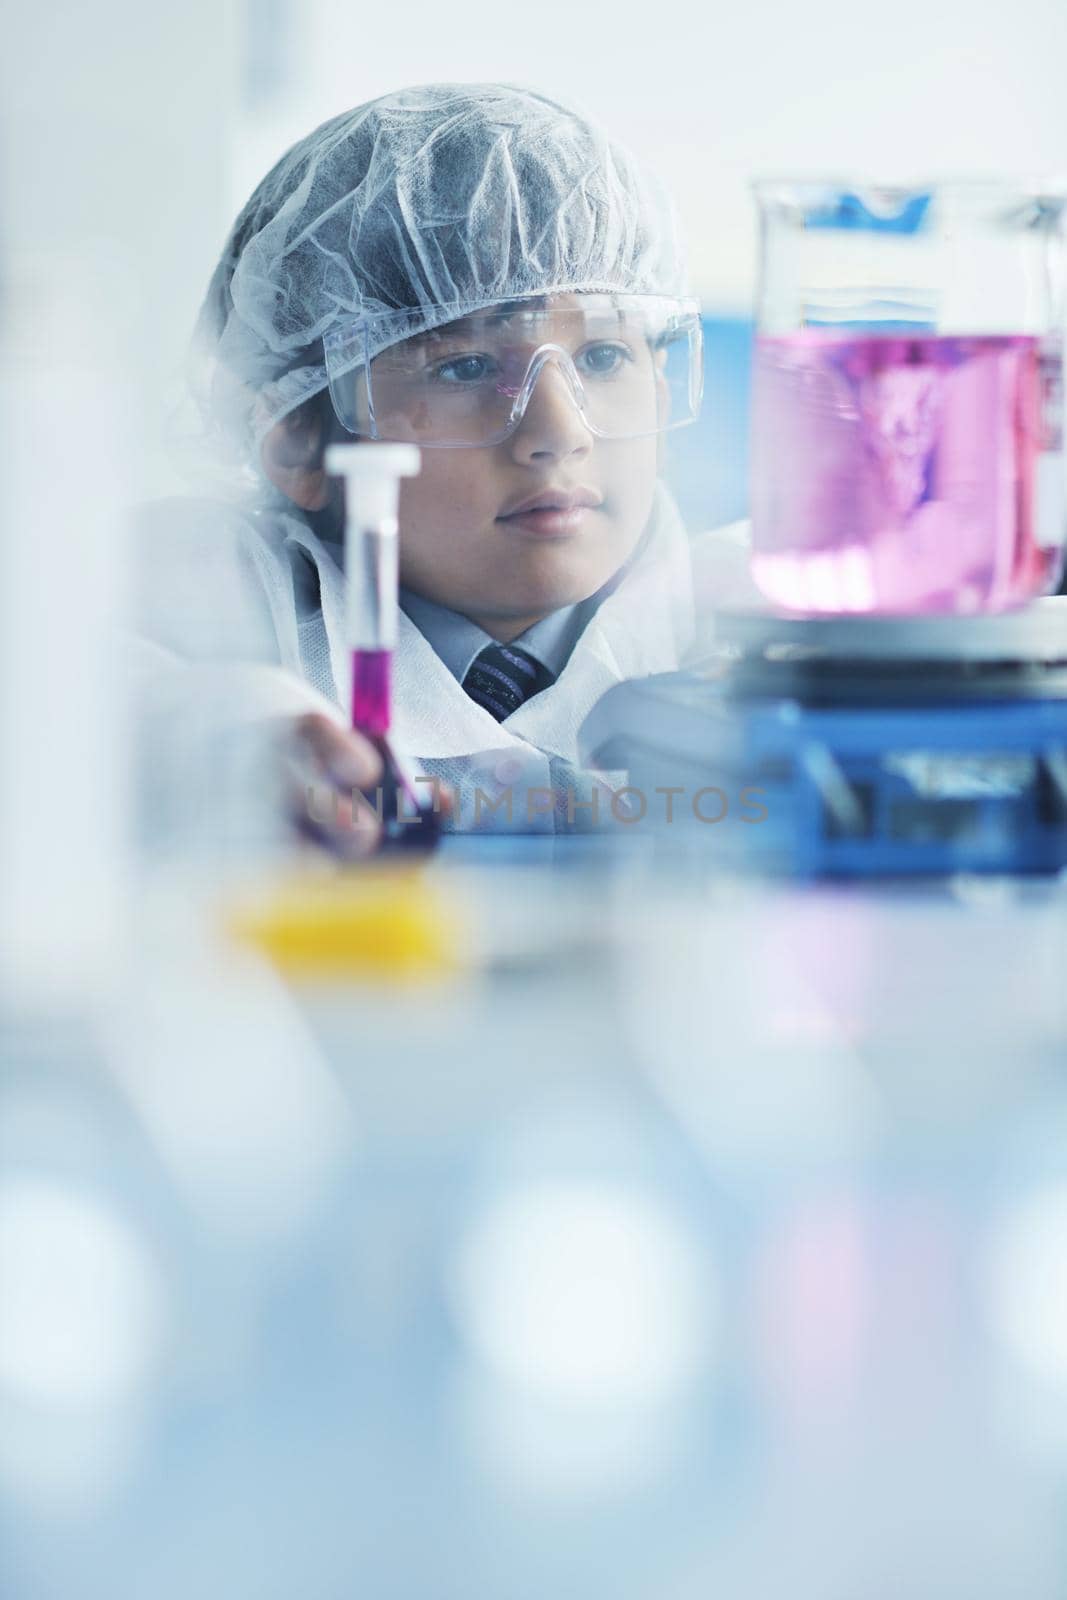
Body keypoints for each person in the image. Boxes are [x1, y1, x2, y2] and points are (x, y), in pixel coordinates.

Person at [136, 82, 759, 852]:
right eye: (463, 368)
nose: (557, 433)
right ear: (296, 438)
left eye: (602, 356)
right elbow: (70, 687)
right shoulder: (207, 594)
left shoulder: (760, 622)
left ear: (662, 385)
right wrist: (227, 734)